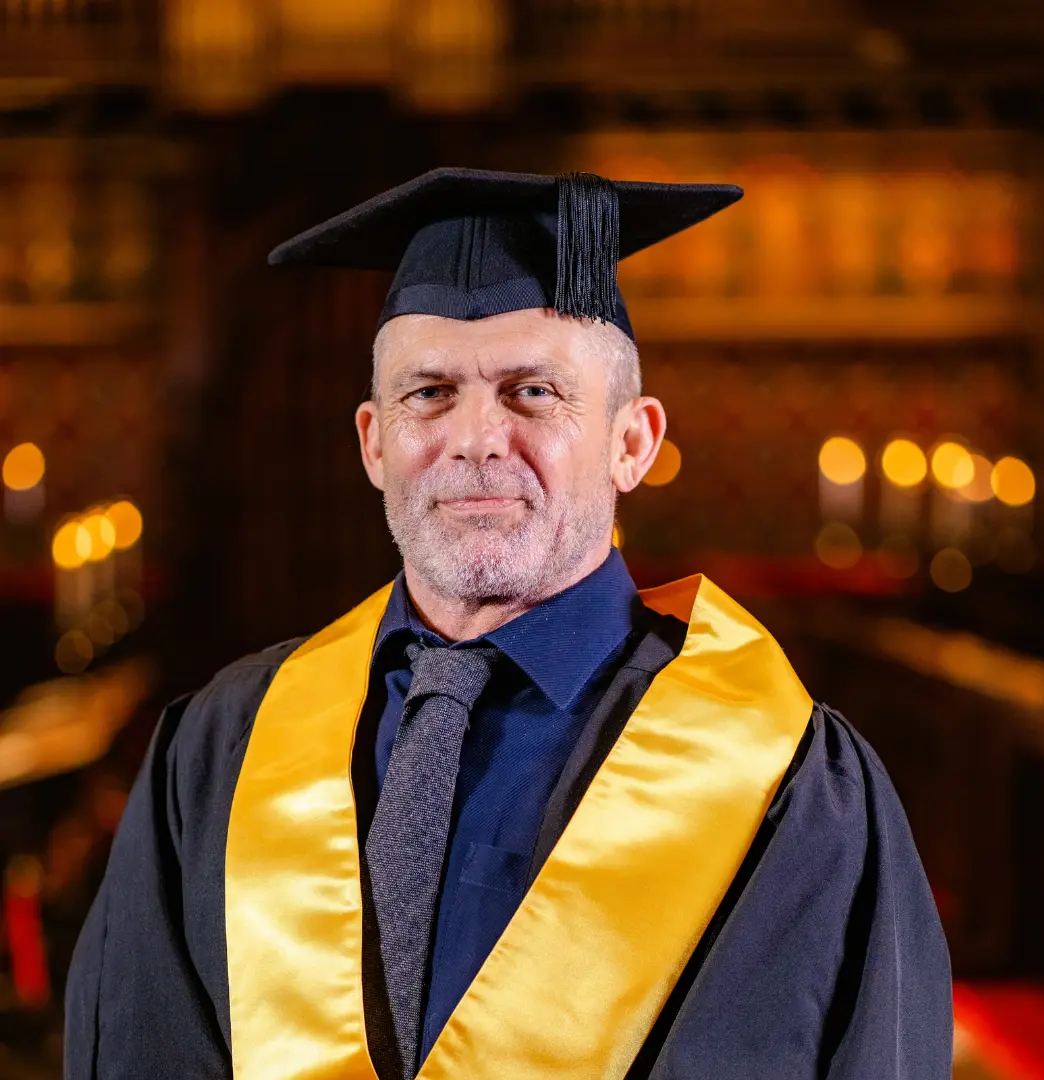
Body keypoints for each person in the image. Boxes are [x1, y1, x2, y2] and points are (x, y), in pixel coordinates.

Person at [64, 168, 952, 1080]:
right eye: (428, 394)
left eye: (533, 392)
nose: (476, 438)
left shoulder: (786, 786)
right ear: (374, 443)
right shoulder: (220, 749)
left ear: (632, 442)